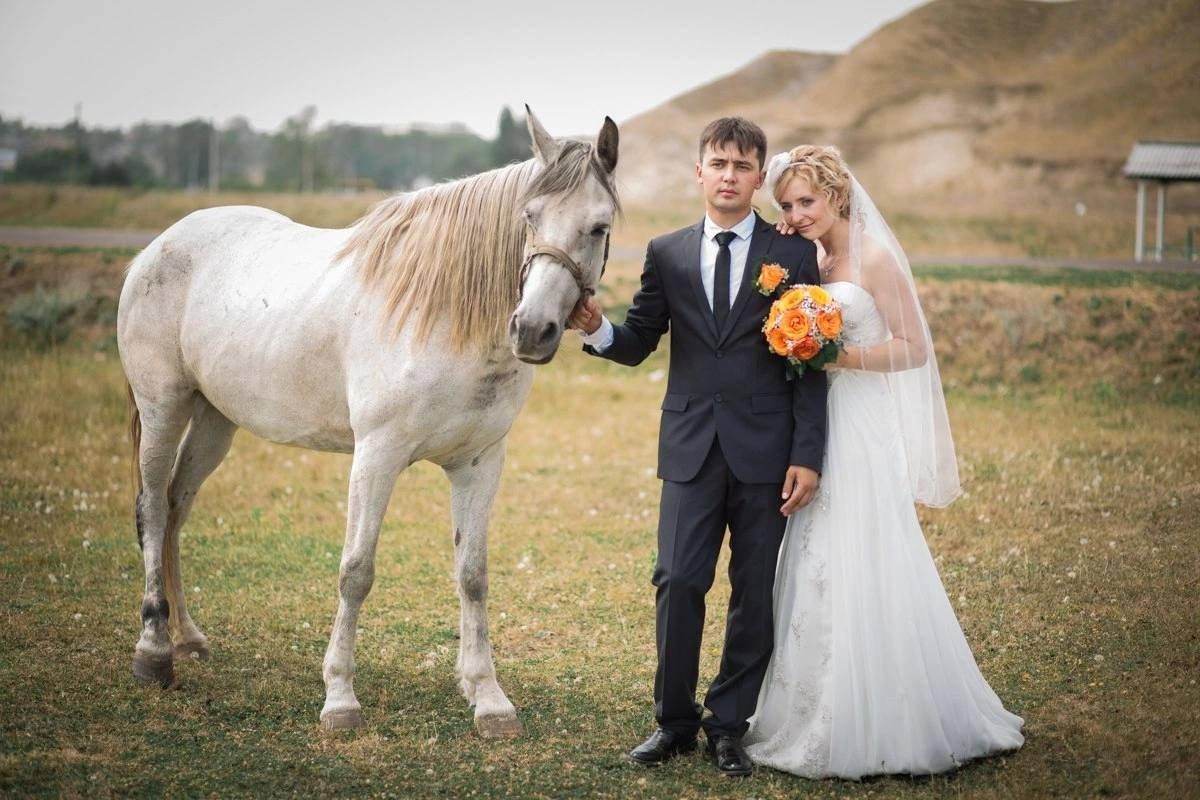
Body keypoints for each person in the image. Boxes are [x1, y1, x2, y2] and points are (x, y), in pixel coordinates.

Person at [742, 145, 1025, 778]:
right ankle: (809, 706)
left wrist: (840, 357)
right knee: (813, 552)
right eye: (786, 204)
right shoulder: (806, 256)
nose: (797, 212)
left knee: (865, 546)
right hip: (813, 426)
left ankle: (888, 710)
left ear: (838, 196)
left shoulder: (872, 257)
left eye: (807, 201)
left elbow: (914, 348)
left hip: (861, 424)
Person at [567, 118, 827, 777]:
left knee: (753, 592)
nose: (730, 176)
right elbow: (639, 341)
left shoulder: (792, 257)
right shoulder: (668, 252)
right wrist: (600, 331)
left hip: (767, 455)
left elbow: (809, 365)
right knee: (677, 579)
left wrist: (807, 455)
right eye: (718, 163)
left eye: (742, 166)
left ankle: (729, 726)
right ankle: (673, 723)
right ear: (700, 172)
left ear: (759, 177)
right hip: (688, 450)